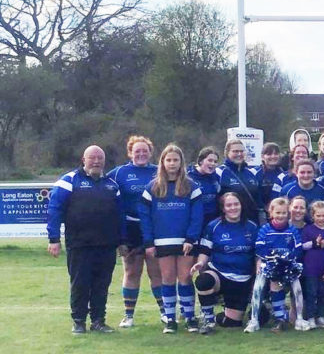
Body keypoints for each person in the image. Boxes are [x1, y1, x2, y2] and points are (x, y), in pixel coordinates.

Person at [47, 145, 124, 334]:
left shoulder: (112, 185)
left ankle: (98, 321)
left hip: (106, 245)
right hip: (79, 244)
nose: (96, 161)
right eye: (92, 158)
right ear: (84, 160)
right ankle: (79, 321)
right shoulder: (68, 181)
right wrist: (54, 239)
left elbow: (120, 216)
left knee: (102, 285)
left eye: (100, 158)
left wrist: (122, 240)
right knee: (80, 284)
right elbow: (54, 210)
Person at [139, 144, 204, 334]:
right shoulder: (152, 187)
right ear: (162, 162)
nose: (172, 163)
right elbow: (145, 216)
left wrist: (191, 239)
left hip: (185, 241)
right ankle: (170, 319)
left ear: (181, 162)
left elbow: (197, 216)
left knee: (185, 277)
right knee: (167, 278)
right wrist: (149, 242)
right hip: (162, 242)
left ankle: (190, 318)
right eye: (168, 160)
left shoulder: (191, 186)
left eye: (176, 160)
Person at [106, 135, 160, 329]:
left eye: (145, 151)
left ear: (150, 153)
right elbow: (101, 187)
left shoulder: (159, 171)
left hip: (154, 228)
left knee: (157, 272)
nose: (141, 154)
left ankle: (165, 313)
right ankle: (128, 315)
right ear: (130, 153)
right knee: (131, 272)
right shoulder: (119, 173)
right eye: (137, 151)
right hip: (130, 229)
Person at [192, 192, 259, 333]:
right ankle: (208, 319)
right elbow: (205, 250)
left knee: (232, 323)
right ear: (223, 208)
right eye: (229, 205)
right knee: (204, 281)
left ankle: (219, 316)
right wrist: (200, 263)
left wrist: (257, 275)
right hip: (220, 274)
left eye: (236, 204)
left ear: (241, 206)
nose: (233, 208)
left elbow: (257, 254)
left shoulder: (252, 227)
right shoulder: (213, 226)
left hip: (242, 279)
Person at [246, 198, 305, 333]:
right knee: (258, 287)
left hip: (288, 265)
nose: (281, 216)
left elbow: (298, 248)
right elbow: (260, 248)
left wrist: (288, 259)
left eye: (284, 213)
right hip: (269, 264)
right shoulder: (265, 229)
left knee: (297, 288)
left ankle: (299, 318)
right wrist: (272, 258)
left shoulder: (292, 230)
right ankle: (256, 319)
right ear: (271, 213)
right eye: (278, 212)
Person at [217, 138, 263, 225]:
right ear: (227, 153)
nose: (239, 154)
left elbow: (258, 199)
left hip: (252, 224)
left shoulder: (252, 172)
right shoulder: (219, 173)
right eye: (235, 151)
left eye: (242, 151)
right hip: (229, 225)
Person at [188, 146, 222, 227]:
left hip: (212, 222)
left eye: (215, 161)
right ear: (200, 161)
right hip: (194, 221)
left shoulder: (216, 178)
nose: (213, 164)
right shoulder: (189, 176)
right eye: (210, 160)